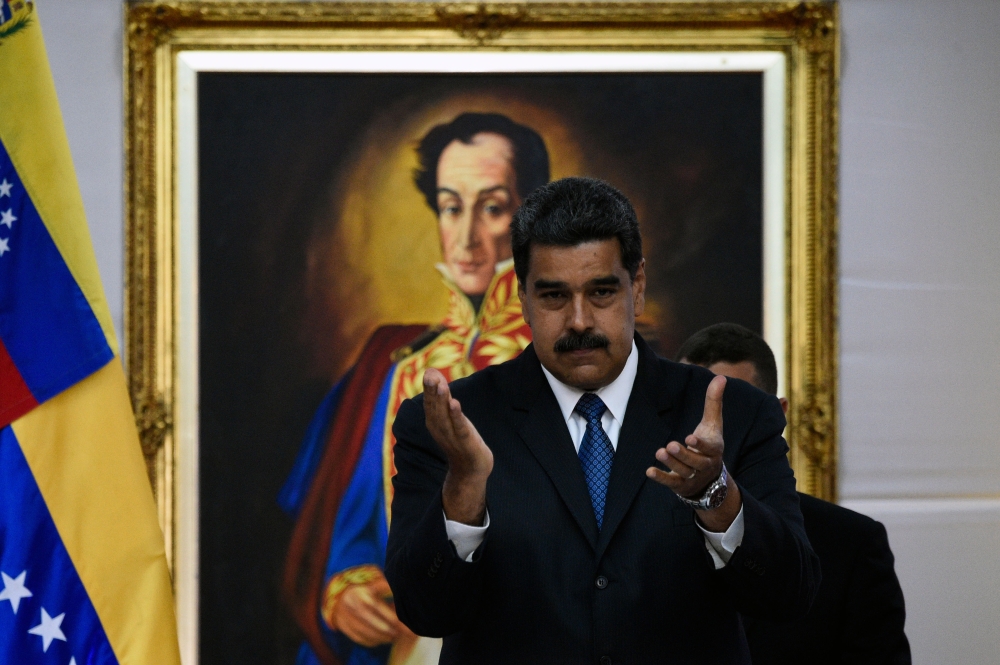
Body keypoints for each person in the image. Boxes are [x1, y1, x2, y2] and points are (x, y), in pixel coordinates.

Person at [384, 177, 821, 664]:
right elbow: (424, 611)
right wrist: (464, 488)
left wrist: (717, 496)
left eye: (601, 292)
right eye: (553, 296)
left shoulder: (732, 414)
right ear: (522, 298)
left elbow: (790, 595)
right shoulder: (451, 424)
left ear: (637, 287)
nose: (579, 321)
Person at [278, 113, 549, 665]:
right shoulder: (394, 366)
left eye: (492, 207)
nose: (466, 234)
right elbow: (351, 524)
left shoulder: (579, 359)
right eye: (451, 206)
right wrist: (348, 590)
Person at [676, 322, 911, 665]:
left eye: (727, 411)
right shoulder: (635, 534)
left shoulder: (852, 546)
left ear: (776, 414)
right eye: (694, 412)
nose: (707, 434)